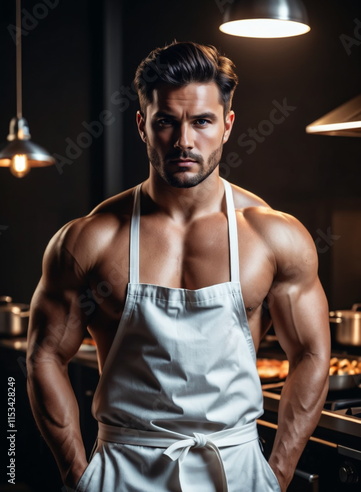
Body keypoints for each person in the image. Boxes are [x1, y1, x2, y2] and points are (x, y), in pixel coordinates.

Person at [26, 41, 330, 492]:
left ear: (227, 126)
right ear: (142, 126)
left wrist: (276, 473)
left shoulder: (272, 236)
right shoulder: (91, 238)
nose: (184, 141)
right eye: (166, 121)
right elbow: (44, 355)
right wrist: (77, 476)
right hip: (123, 468)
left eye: (202, 121)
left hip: (237, 469)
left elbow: (311, 353)